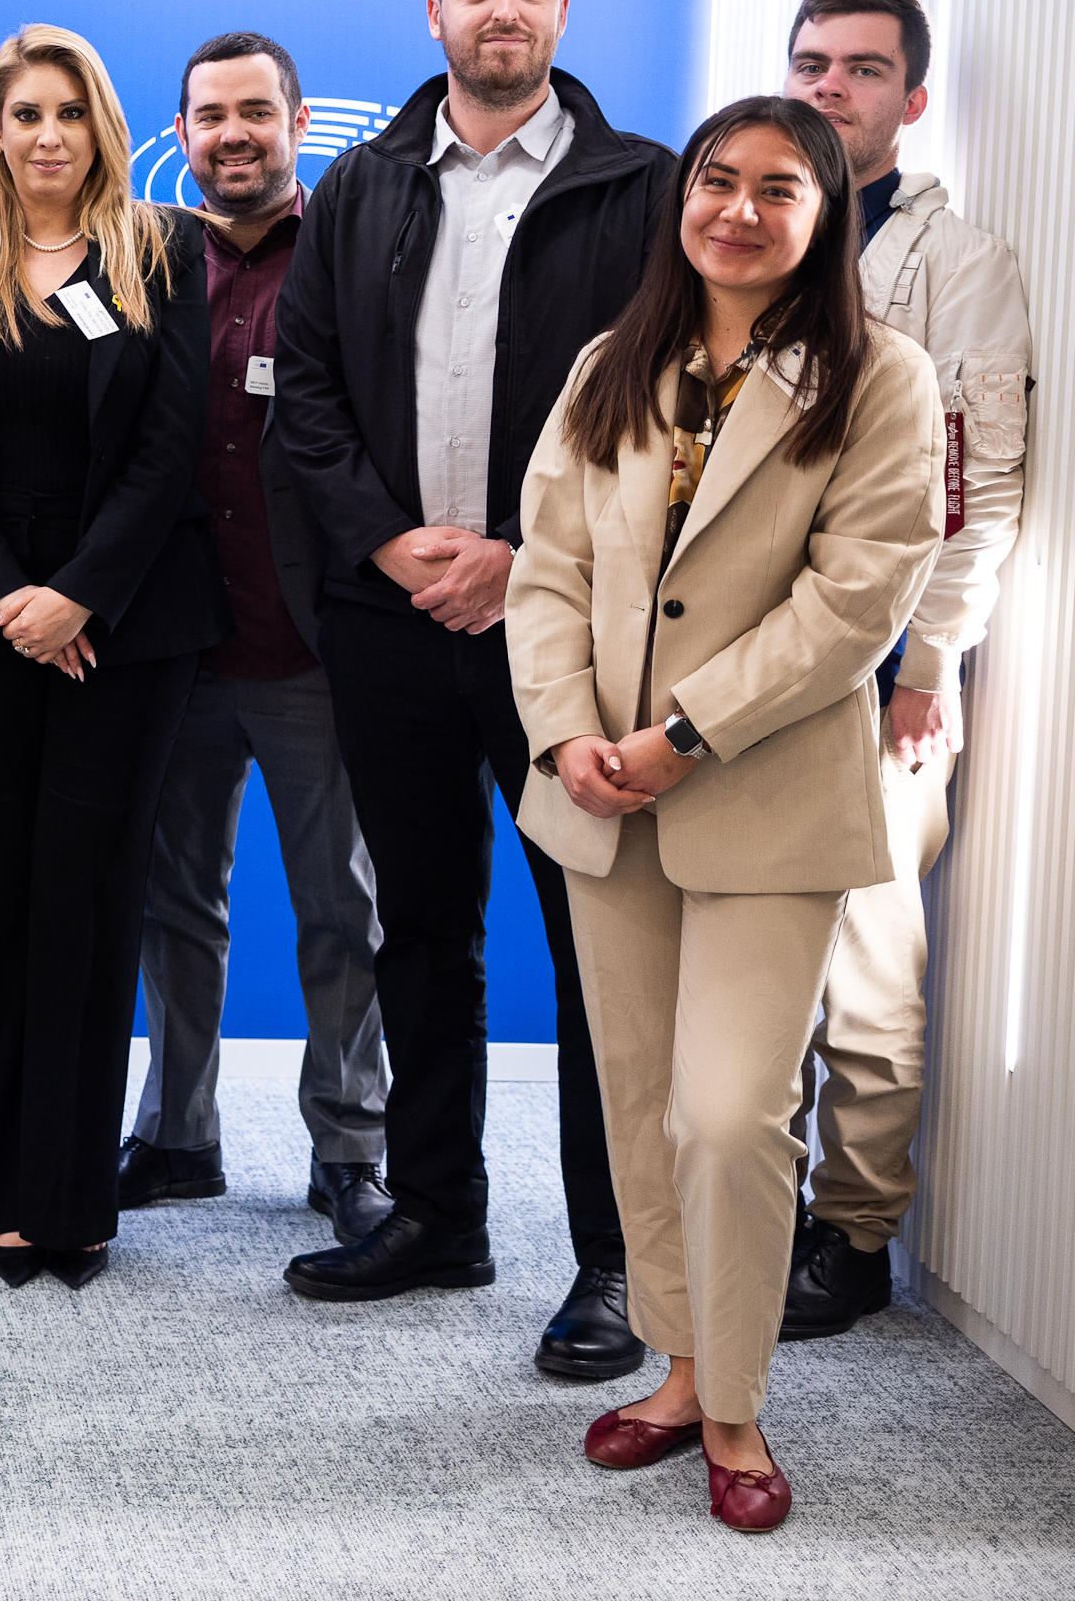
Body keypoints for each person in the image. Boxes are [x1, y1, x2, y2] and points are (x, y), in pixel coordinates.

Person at [509, 94, 942, 1533]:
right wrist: (571, 733)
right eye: (717, 181)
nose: (738, 211)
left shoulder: (879, 376)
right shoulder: (610, 364)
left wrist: (684, 733)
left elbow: (858, 597)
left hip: (760, 797)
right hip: (601, 802)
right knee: (640, 1106)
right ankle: (681, 1371)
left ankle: (742, 1409)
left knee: (732, 1114)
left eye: (778, 189)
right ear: (680, 199)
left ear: (824, 219)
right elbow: (549, 569)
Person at [271, 0, 675, 1381]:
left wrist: (521, 555)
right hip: (391, 620)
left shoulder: (644, 189)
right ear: (430, 14)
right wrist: (391, 542)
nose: (502, 9)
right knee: (423, 930)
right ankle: (439, 1213)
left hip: (558, 634)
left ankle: (620, 1265)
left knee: (597, 952)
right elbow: (301, 391)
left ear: (564, 13)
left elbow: (663, 408)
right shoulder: (367, 186)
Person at [0, 25, 219, 1290]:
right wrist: (6, 597)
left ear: (104, 128)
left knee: (88, 897)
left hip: (123, 627)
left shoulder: (161, 248)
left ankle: (68, 1193)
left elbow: (170, 440)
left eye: (68, 112)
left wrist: (77, 596)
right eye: (24, 113)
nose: (46, 135)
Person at [777, 0, 1032, 1338]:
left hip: (885, 676)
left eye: (862, 70)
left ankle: (855, 1230)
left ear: (910, 101)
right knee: (758, 959)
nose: (831, 88)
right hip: (748, 668)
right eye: (811, 63)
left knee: (868, 960)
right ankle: (757, 1208)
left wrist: (931, 660)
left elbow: (980, 480)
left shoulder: (958, 262)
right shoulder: (750, 229)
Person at [122, 33, 391, 1246]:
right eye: (209, 116)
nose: (233, 134)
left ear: (296, 123)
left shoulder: (351, 255)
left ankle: (350, 1145)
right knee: (173, 904)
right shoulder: (142, 262)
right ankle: (177, 1132)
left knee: (340, 905)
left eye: (256, 113)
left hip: (309, 648)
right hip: (174, 648)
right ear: (180, 135)